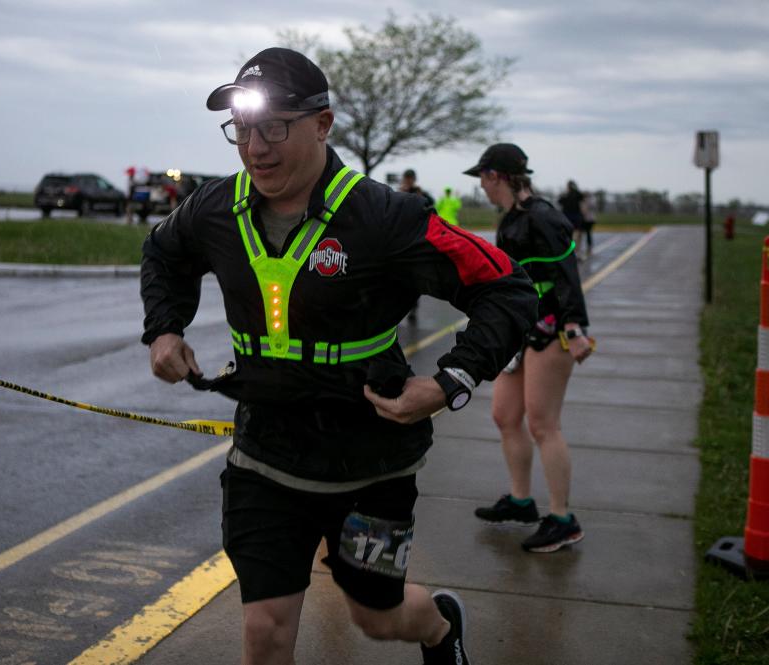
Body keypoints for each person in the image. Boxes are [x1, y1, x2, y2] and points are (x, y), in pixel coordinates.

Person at [140, 48, 537, 665]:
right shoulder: (213, 208)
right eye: (242, 129)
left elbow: (507, 288)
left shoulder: (387, 218)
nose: (255, 147)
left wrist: (450, 381)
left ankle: (439, 628)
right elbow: (163, 254)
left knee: (377, 616)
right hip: (264, 460)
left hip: (370, 467)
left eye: (275, 126)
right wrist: (164, 330)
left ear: (322, 124)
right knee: (265, 629)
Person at [463, 143, 594, 553]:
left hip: (552, 332)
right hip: (521, 334)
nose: (481, 188)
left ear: (494, 176)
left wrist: (574, 326)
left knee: (543, 425)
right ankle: (521, 502)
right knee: (505, 415)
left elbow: (566, 273)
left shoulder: (544, 217)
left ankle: (562, 519)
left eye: (482, 179)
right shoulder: (512, 219)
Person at [558, 180, 587, 259]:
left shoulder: (565, 195)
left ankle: (571, 252)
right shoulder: (578, 194)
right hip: (575, 217)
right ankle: (576, 252)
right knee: (577, 235)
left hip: (566, 217)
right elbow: (583, 206)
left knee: (569, 235)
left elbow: (560, 203)